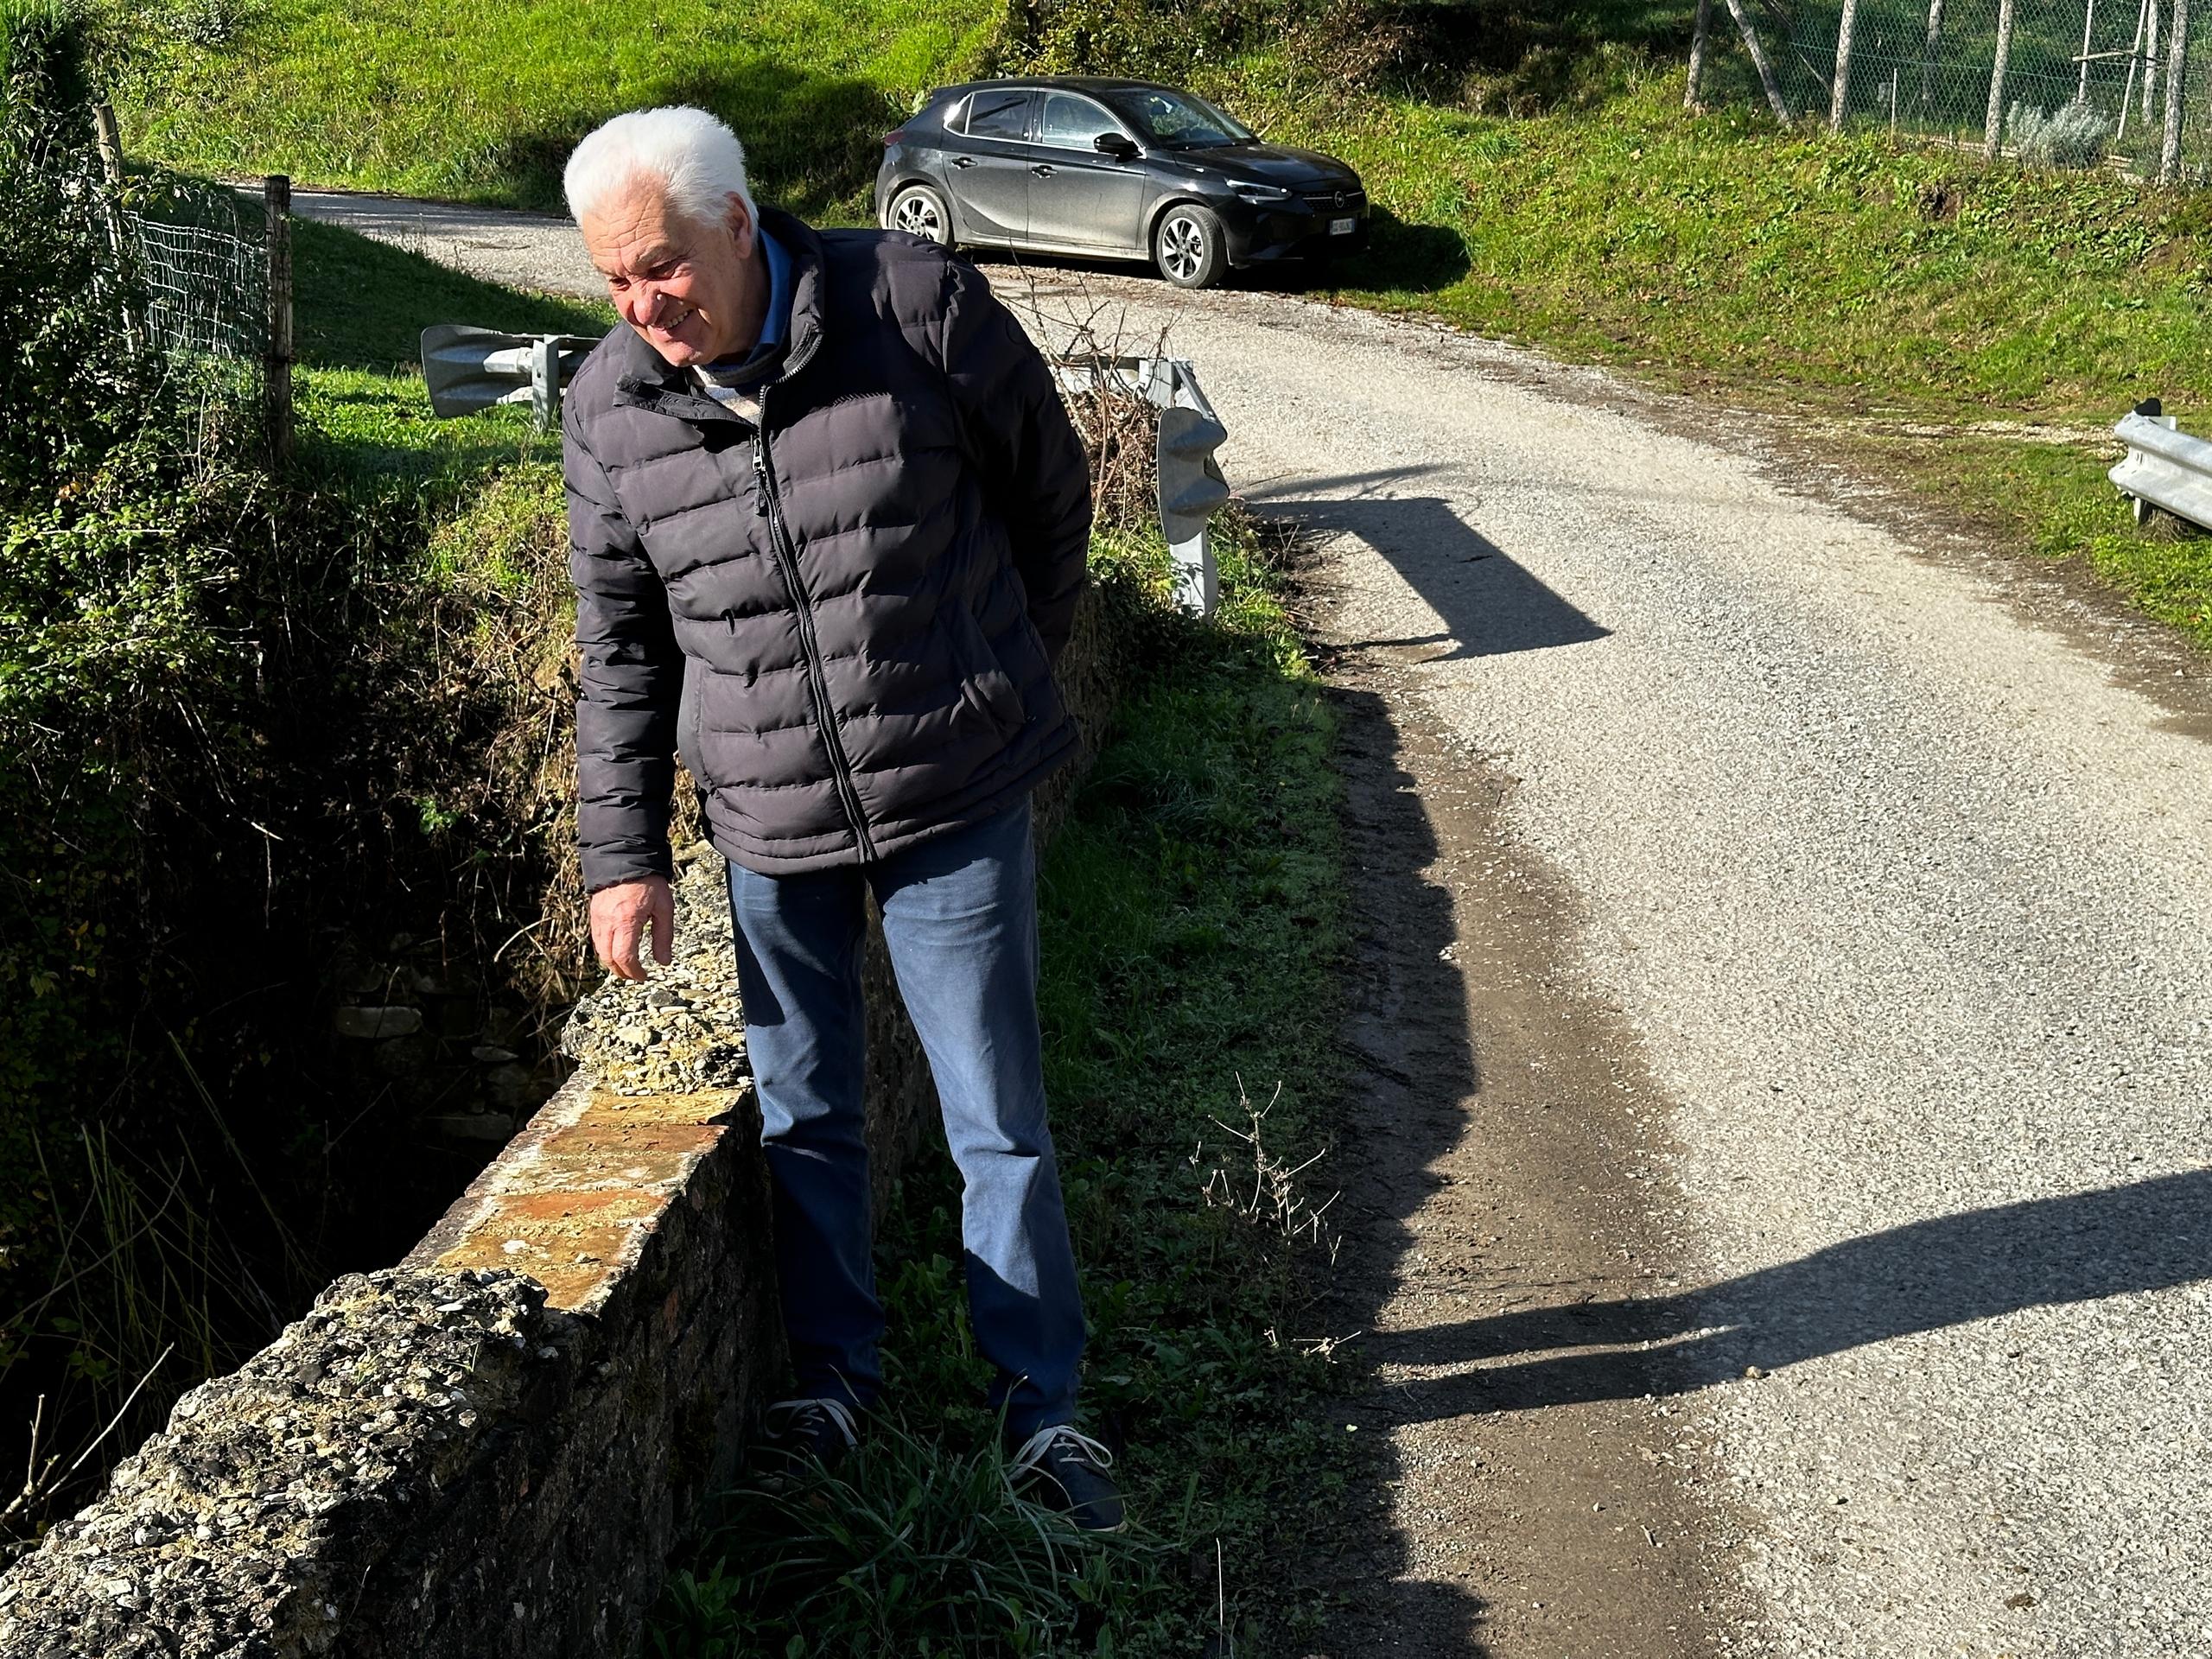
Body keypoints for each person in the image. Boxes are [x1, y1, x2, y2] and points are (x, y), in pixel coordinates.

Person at [557, 105, 1120, 1532]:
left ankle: (1043, 1416)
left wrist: (1003, 672)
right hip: (765, 817)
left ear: (740, 223)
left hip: (951, 789)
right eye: (613, 279)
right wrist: (622, 855)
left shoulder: (911, 304)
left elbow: (1051, 494)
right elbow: (622, 649)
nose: (641, 307)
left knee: (995, 1118)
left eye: (662, 267)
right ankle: (835, 1384)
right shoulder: (610, 407)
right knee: (803, 1119)